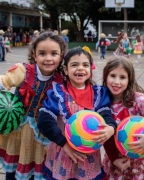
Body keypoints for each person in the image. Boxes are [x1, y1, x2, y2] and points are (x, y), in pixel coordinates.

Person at [0, 31, 67, 180]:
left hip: (43, 136)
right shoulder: (23, 71)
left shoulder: (61, 81)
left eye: (54, 53)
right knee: (13, 173)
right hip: (17, 132)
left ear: (61, 55)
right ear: (35, 55)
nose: (48, 58)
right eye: (42, 53)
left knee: (39, 173)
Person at [37, 47, 117, 180]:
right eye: (74, 65)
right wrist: (64, 144)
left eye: (85, 65)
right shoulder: (58, 93)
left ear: (91, 69)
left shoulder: (98, 93)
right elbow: (44, 121)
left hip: (89, 156)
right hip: (63, 151)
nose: (80, 68)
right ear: (65, 70)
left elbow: (106, 114)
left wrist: (111, 127)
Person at [101, 56, 144, 180]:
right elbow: (106, 138)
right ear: (105, 77)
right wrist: (114, 159)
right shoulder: (102, 104)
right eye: (112, 76)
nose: (116, 81)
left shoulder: (138, 100)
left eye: (122, 77)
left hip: (140, 162)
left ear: (129, 79)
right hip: (117, 161)